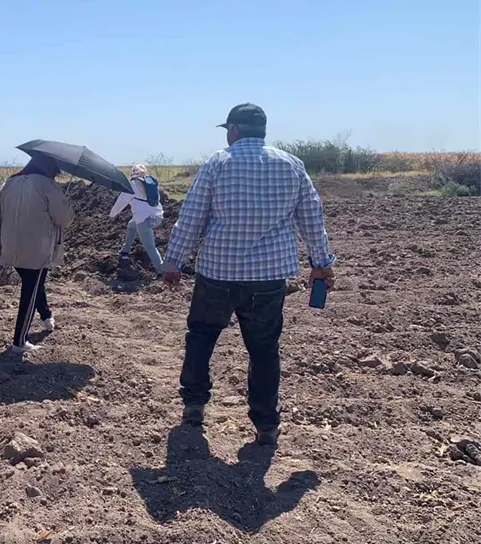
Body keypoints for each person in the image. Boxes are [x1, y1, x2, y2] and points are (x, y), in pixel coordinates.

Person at [162, 103, 336, 447]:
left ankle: (194, 405)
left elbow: (193, 216)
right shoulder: (292, 165)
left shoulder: (217, 163)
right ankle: (266, 424)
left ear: (234, 131)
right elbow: (311, 220)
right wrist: (322, 262)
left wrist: (174, 261)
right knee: (264, 350)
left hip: (217, 273)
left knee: (201, 337)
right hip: (268, 279)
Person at [0, 155, 75, 354]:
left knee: (34, 284)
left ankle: (46, 317)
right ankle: (19, 341)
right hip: (37, 249)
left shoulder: (9, 182)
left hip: (10, 247)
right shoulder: (46, 185)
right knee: (31, 290)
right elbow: (65, 219)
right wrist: (66, 203)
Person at [110, 164, 165, 274]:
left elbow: (121, 201)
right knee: (132, 225)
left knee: (149, 246)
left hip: (144, 219)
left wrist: (112, 214)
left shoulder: (133, 185)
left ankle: (161, 270)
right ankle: (125, 251)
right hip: (157, 216)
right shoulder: (151, 183)